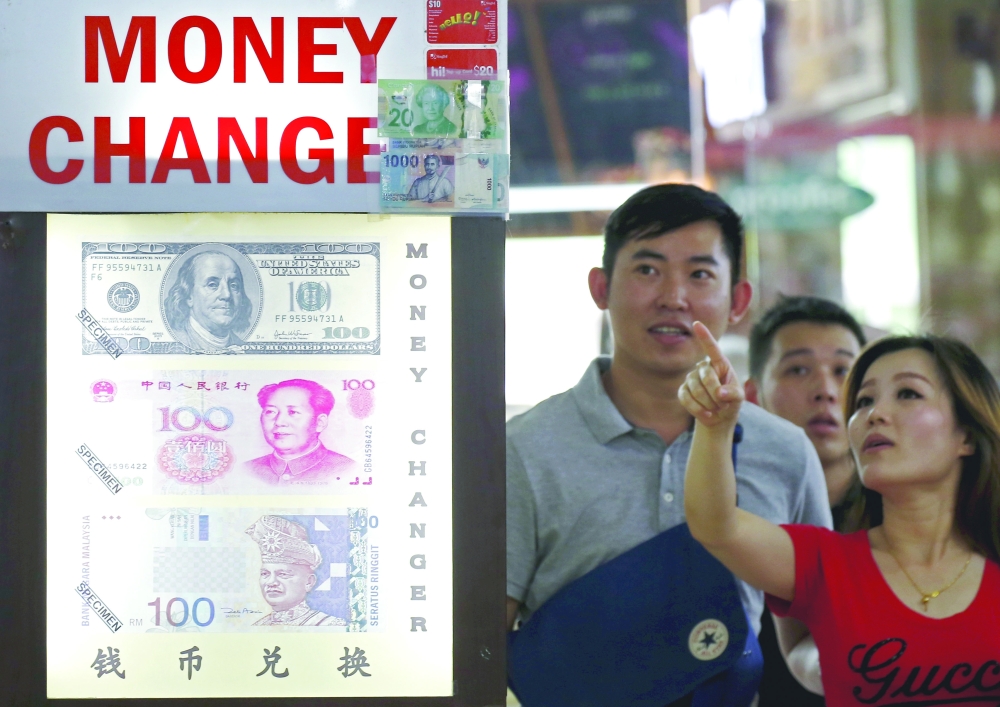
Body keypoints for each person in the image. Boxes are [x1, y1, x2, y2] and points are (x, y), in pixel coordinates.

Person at [506, 184, 832, 706]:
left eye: (700, 274)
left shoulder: (785, 452)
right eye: (647, 270)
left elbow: (820, 628)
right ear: (600, 287)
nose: (673, 297)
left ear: (739, 299)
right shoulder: (524, 450)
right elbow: (480, 642)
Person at [680, 325, 1000, 706]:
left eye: (908, 393)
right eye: (864, 401)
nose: (875, 414)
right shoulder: (824, 563)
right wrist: (715, 427)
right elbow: (716, 525)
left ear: (966, 434)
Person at [746, 296, 866, 705]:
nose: (826, 391)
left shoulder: (905, 519)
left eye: (844, 371)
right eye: (798, 369)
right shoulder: (729, 522)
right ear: (752, 395)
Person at [245, 379, 354, 484]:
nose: (279, 422)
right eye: (270, 412)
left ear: (320, 422)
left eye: (293, 412)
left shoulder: (347, 470)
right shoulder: (247, 470)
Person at [245, 515, 346, 627]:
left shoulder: (328, 625)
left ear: (309, 582)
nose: (271, 582)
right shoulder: (258, 626)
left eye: (283, 574)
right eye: (265, 574)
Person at [163, 250, 253, 352]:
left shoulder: (244, 347)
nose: (227, 295)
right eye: (212, 285)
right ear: (188, 296)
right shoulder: (178, 343)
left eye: (234, 286)